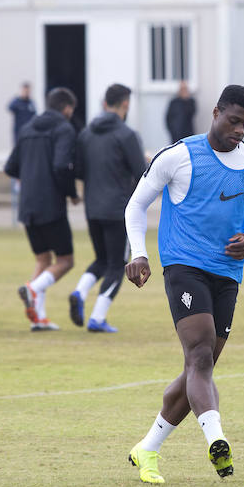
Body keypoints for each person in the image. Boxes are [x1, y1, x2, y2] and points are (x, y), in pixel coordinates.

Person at [123, 84, 244, 483]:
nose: (239, 130)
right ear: (215, 112)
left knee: (199, 368)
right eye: (233, 120)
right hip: (182, 265)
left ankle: (147, 449)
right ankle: (217, 441)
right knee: (200, 355)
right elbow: (137, 205)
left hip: (227, 273)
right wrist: (138, 253)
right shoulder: (178, 156)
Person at [70, 83, 146, 333]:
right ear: (125, 103)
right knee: (117, 264)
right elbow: (141, 173)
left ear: (105, 103)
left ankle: (80, 292)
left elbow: (78, 171)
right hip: (118, 210)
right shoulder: (127, 135)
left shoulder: (86, 134)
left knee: (102, 260)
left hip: (92, 208)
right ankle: (98, 317)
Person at [5, 87, 81, 331]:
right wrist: (71, 193)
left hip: (27, 205)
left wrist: (30, 176)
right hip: (50, 205)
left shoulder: (27, 129)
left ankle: (39, 317)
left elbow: (10, 167)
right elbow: (61, 165)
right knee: (66, 260)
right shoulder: (63, 129)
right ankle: (32, 289)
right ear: (67, 108)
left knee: (43, 259)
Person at [7, 82, 37, 224]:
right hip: (19, 140)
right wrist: (19, 97)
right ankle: (18, 186)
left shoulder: (31, 104)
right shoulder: (17, 103)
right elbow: (9, 107)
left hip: (30, 141)